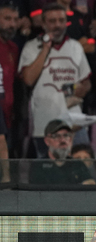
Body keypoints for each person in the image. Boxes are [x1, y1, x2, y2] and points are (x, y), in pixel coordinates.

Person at [18, 3, 92, 158]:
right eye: (52, 21)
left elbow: (87, 81)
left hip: (74, 126)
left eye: (61, 20)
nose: (57, 25)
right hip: (45, 126)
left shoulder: (75, 47)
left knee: (82, 171)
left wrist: (83, 88)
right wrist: (45, 48)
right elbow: (28, 79)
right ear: (43, 24)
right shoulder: (31, 48)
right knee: (47, 175)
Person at [29, 120, 95, 185]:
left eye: (66, 135)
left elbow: (90, 185)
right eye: (57, 136)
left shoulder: (78, 164)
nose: (63, 140)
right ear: (47, 141)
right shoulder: (39, 165)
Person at [0, 3, 17, 182]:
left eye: (14, 20)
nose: (12, 24)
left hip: (9, 115)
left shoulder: (13, 47)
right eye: (7, 19)